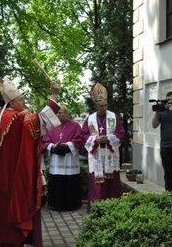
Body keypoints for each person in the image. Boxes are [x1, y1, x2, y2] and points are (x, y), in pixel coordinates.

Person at [0, 78, 61, 246]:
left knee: (4, 212)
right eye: (21, 99)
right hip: (15, 176)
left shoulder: (4, 117)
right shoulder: (14, 118)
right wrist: (54, 96)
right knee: (14, 215)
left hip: (6, 176)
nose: (24, 102)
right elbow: (40, 121)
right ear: (12, 102)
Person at [80, 83, 125, 212]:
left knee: (112, 183)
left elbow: (121, 133)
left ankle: (113, 208)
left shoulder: (114, 117)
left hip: (110, 154)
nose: (104, 108)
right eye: (101, 106)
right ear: (96, 106)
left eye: (105, 105)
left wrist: (109, 138)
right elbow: (83, 135)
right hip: (97, 155)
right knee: (97, 183)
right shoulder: (90, 119)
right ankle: (96, 209)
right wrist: (96, 139)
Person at [42, 106, 83, 211]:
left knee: (70, 182)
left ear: (66, 114)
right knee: (58, 182)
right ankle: (57, 204)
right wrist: (53, 146)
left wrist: (67, 145)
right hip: (57, 160)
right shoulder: (52, 126)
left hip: (69, 159)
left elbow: (79, 140)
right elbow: (45, 141)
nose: (58, 115)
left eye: (60, 113)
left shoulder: (75, 126)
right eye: (57, 113)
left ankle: (71, 204)